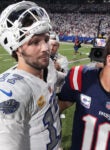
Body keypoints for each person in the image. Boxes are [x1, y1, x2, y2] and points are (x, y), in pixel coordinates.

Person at [0, 1, 61, 150]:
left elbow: (62, 80)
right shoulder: (13, 91)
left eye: (46, 39)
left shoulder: (49, 68)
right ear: (17, 48)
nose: (46, 48)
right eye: (35, 42)